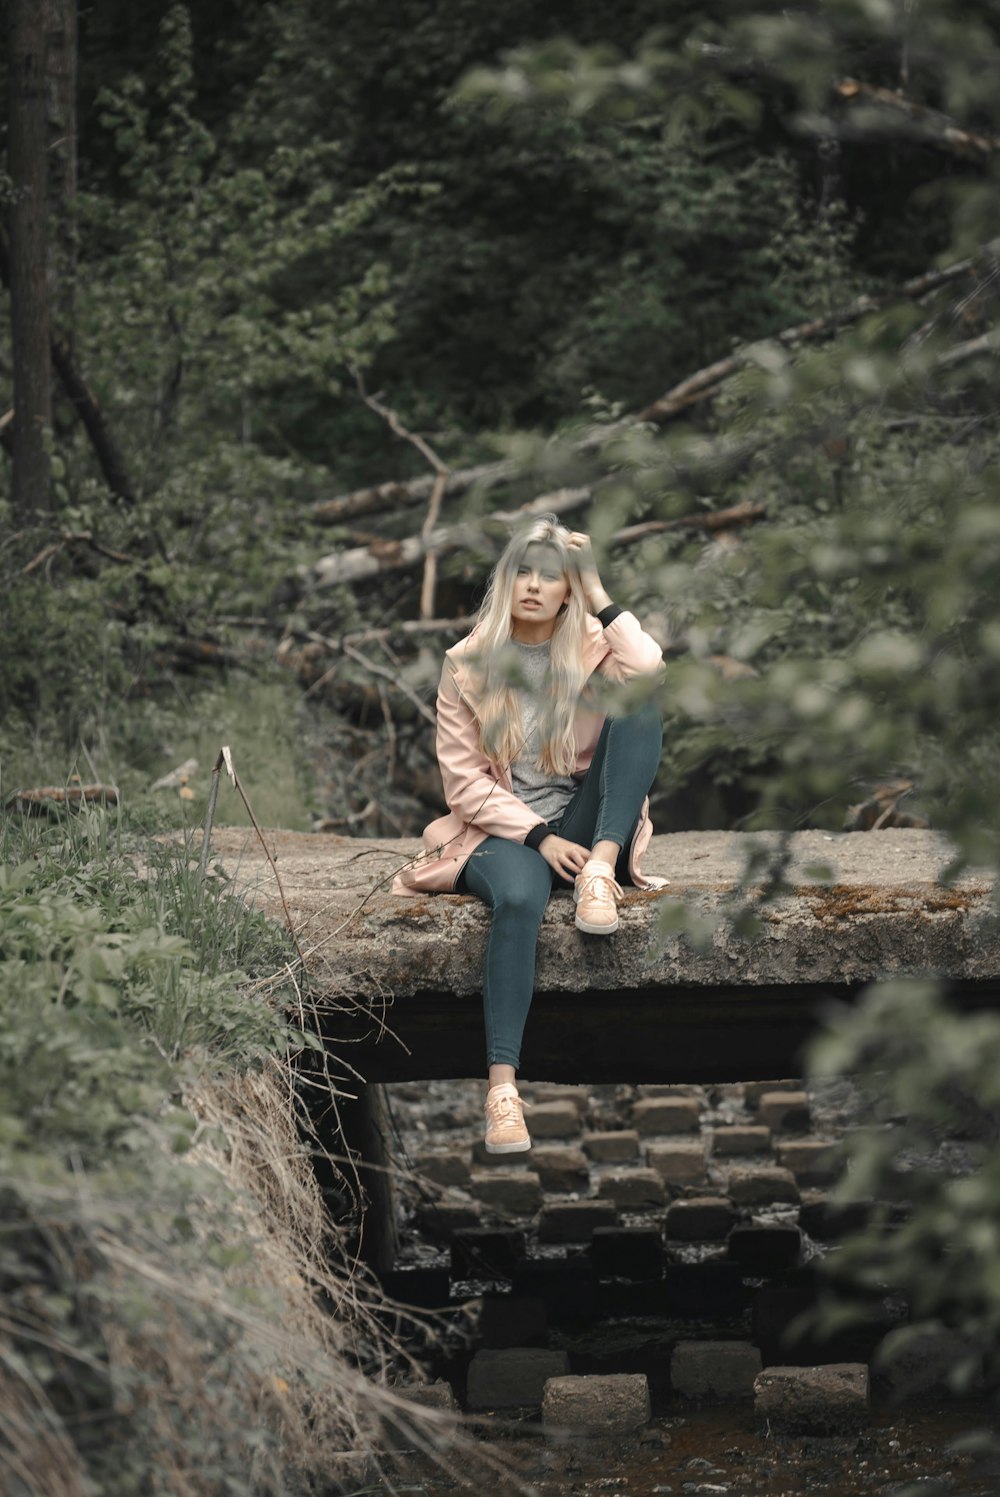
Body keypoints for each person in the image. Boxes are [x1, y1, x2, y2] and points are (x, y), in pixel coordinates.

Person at [392, 516, 665, 1153]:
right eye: (524, 571)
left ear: (568, 590)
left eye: (553, 576)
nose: (536, 586)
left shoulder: (594, 646)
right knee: (517, 901)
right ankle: (503, 1093)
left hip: (583, 825)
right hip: (503, 830)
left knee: (643, 701)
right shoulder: (466, 665)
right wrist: (540, 837)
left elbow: (648, 664)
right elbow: (465, 787)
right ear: (506, 580)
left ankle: (601, 868)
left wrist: (599, 590)